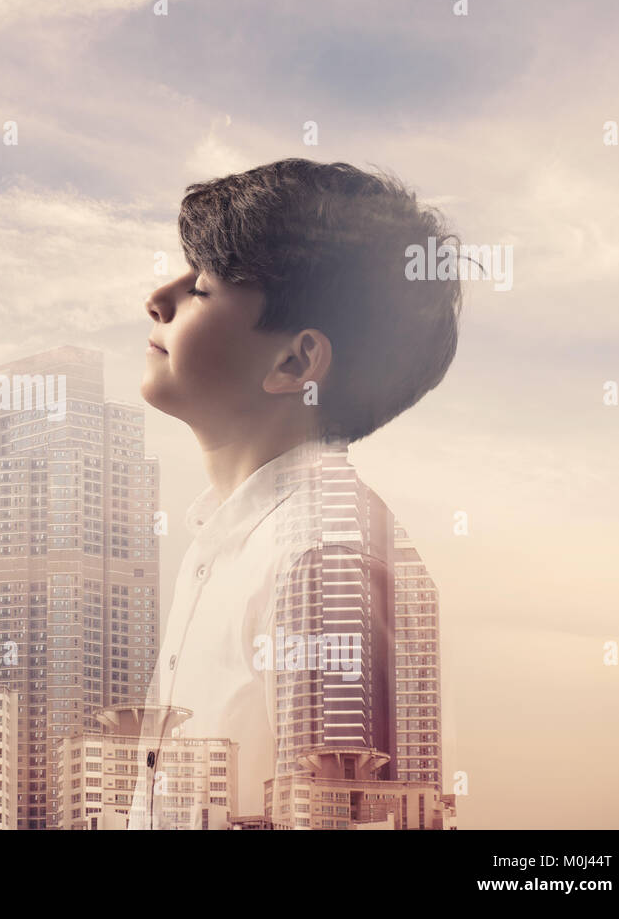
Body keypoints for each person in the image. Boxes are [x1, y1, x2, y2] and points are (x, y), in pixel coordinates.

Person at [127, 159, 461, 829]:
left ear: (296, 363)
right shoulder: (230, 543)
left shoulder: (324, 563)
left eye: (203, 286)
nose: (158, 298)